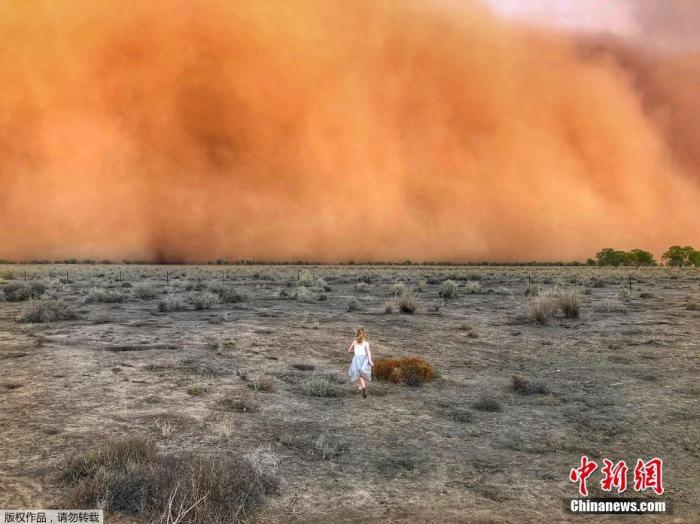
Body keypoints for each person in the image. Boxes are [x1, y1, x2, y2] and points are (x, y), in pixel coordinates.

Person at [348, 327, 373, 398]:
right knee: (361, 372)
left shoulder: (354, 342)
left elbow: (349, 350)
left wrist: (355, 351)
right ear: (364, 335)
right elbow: (368, 352)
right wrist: (370, 361)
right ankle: (360, 386)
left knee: (359, 373)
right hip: (364, 359)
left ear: (357, 334)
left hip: (356, 359)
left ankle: (363, 387)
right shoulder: (366, 343)